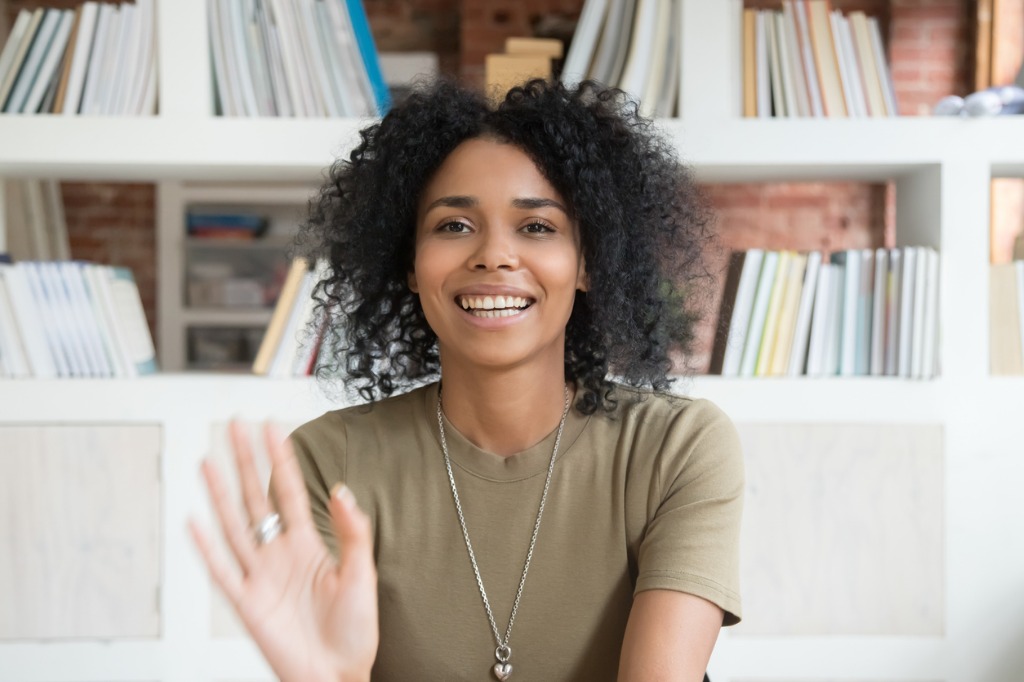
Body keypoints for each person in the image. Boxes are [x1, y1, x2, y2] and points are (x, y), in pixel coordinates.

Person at [190, 78, 744, 682]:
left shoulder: (677, 449)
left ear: (588, 262)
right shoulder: (329, 463)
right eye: (454, 225)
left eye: (537, 227)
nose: (493, 256)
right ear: (410, 262)